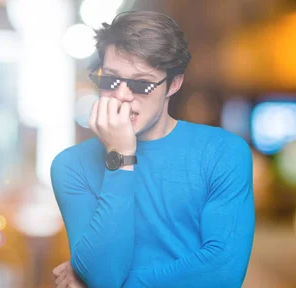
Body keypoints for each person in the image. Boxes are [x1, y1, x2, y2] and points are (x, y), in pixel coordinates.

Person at [50, 10, 255, 288]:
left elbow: (222, 272)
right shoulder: (71, 165)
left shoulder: (223, 152)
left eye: (141, 84)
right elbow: (104, 274)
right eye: (110, 80)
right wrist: (120, 156)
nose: (122, 95)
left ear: (174, 83)